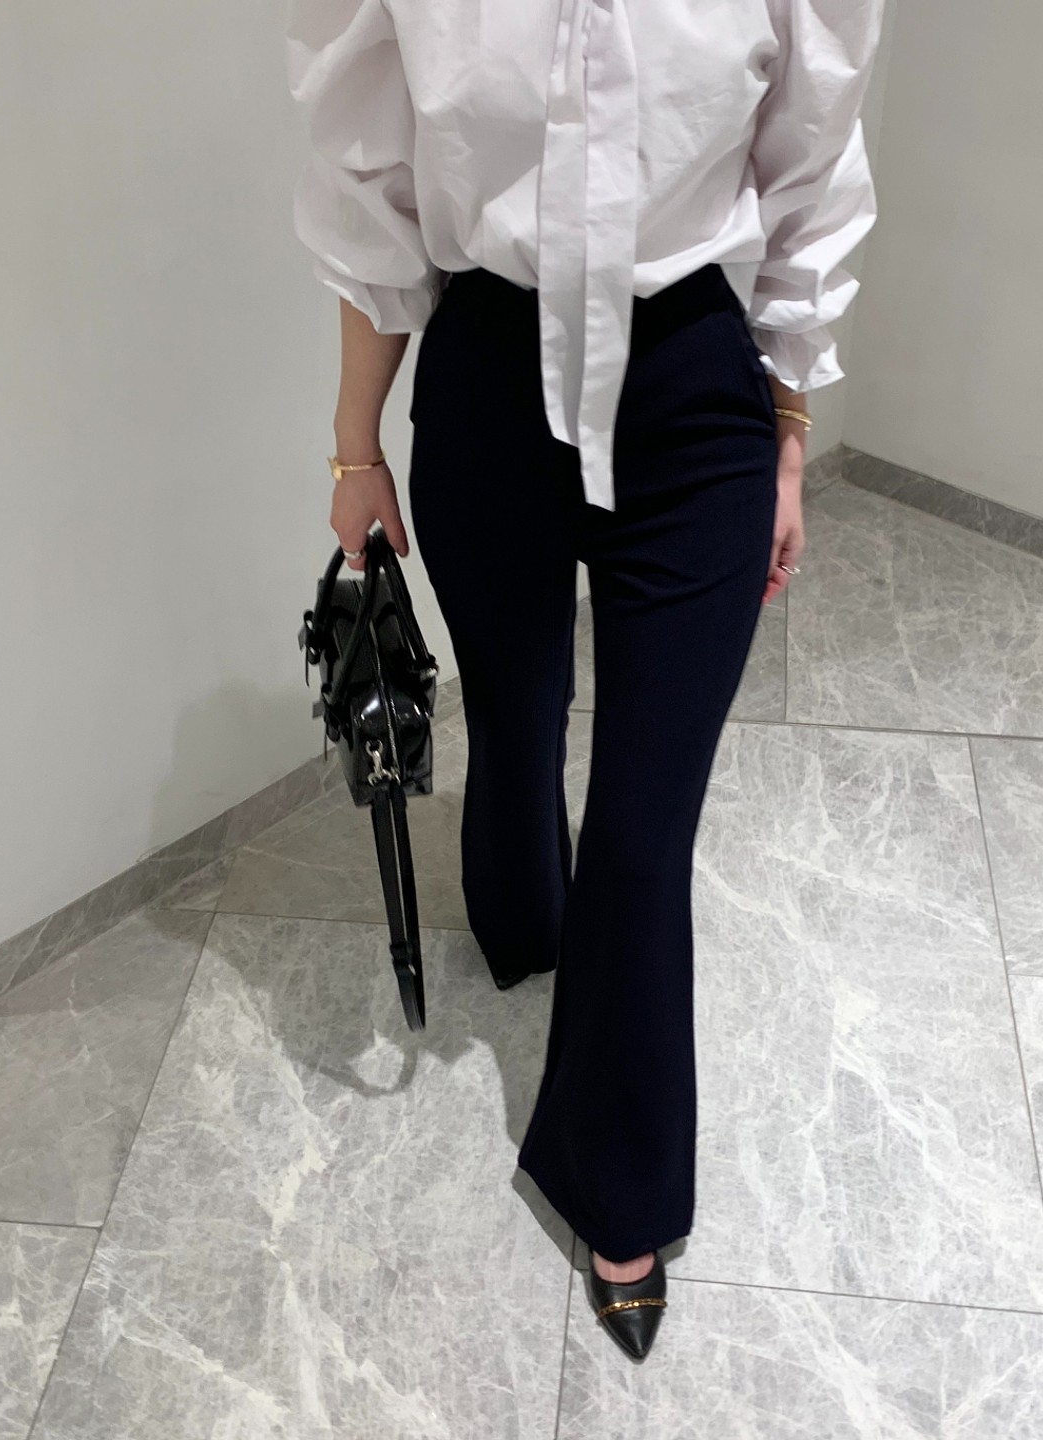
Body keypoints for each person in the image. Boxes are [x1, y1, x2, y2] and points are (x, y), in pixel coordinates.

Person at [286, 0, 886, 1361]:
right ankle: (521, 915)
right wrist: (355, 450)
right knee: (513, 718)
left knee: (642, 827)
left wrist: (790, 438)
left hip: (694, 397)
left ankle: (619, 1182)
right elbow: (371, 191)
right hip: (488, 380)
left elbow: (813, 163)